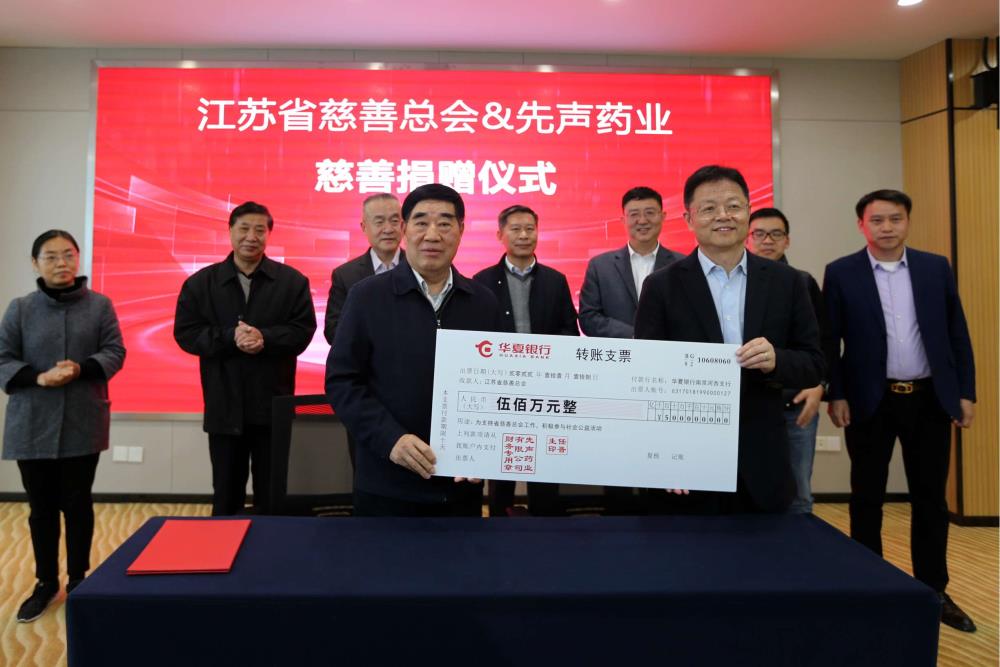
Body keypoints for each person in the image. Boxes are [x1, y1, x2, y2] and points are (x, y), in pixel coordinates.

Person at [823, 189, 977, 632]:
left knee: (930, 499)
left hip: (929, 399)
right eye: (877, 220)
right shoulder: (841, 272)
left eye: (895, 219)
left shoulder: (935, 268)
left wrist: (964, 391)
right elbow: (830, 341)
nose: (887, 227)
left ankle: (934, 590)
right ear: (862, 225)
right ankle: (868, 587)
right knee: (866, 497)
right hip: (869, 400)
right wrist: (837, 393)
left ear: (908, 221)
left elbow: (957, 332)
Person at [634, 166, 824, 514]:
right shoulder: (661, 286)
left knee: (765, 548)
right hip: (687, 461)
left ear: (748, 211)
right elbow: (646, 375)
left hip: (763, 456)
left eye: (733, 206)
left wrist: (777, 360)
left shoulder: (787, 282)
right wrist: (664, 453)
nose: (723, 215)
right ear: (689, 219)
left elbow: (813, 364)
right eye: (709, 208)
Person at [326, 184, 501, 517]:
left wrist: (485, 448)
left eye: (445, 223)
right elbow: (342, 382)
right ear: (405, 229)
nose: (432, 235)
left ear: (461, 230)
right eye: (421, 222)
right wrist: (391, 440)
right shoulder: (366, 297)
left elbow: (497, 385)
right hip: (386, 483)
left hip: (459, 488)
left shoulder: (483, 302)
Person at [0, 230, 125, 623]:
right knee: (41, 508)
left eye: (68, 255)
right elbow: (2, 357)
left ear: (78, 258)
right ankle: (45, 582)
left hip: (82, 420)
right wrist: (38, 377)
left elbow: (115, 351)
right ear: (35, 263)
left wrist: (80, 369)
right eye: (51, 256)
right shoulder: (20, 308)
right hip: (31, 423)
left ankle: (78, 579)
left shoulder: (100, 305)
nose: (61, 263)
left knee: (78, 504)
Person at [174, 201, 316, 516]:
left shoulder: (292, 282)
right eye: (244, 228)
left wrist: (265, 338)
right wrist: (229, 337)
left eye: (259, 230)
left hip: (273, 408)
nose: (251, 236)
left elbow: (303, 331)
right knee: (226, 497)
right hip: (224, 408)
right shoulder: (201, 283)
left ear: (269, 235)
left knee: (273, 497)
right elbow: (186, 333)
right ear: (230, 231)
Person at [579, 186, 682, 513]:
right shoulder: (601, 265)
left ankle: (661, 518)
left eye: (650, 213)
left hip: (667, 380)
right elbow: (589, 318)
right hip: (616, 380)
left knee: (662, 454)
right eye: (634, 214)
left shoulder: (683, 266)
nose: (642, 220)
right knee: (619, 457)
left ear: (663, 216)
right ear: (622, 219)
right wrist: (639, 336)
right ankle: (618, 519)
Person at [474, 205, 579, 517]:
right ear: (500, 235)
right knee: (500, 465)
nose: (523, 235)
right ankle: (499, 525)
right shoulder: (481, 281)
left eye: (529, 229)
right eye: (515, 229)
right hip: (500, 388)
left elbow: (569, 332)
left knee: (545, 465)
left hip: (545, 389)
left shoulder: (555, 280)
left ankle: (545, 527)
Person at [747, 207, 825, 514]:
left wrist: (819, 386)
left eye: (775, 234)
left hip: (795, 404)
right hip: (750, 405)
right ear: (748, 238)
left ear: (787, 240)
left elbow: (822, 343)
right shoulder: (734, 282)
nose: (767, 240)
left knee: (798, 495)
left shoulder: (801, 282)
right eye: (759, 234)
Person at [323, 193, 406, 345]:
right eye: (379, 222)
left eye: (394, 221)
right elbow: (333, 331)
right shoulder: (345, 275)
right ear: (364, 227)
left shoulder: (422, 269)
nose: (388, 229)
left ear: (403, 226)